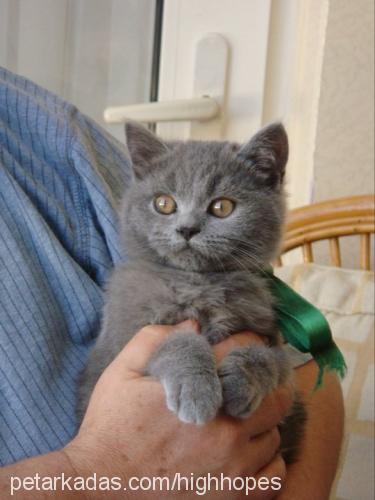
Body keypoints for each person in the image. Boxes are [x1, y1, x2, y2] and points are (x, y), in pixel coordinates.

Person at [0, 67, 344, 498]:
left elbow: (304, 368)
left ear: (269, 180)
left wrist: (262, 369)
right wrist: (93, 470)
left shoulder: (41, 126)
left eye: (220, 207)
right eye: (165, 203)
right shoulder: (132, 290)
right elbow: (108, 377)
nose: (186, 225)